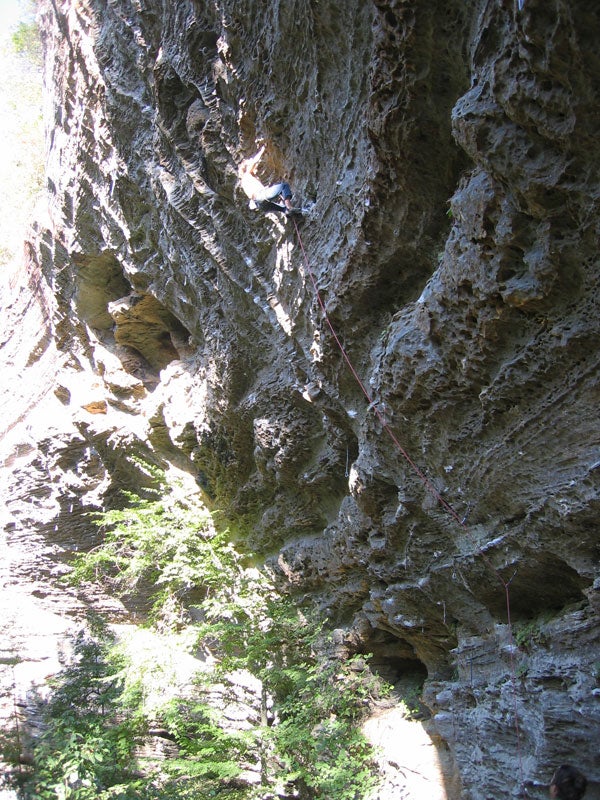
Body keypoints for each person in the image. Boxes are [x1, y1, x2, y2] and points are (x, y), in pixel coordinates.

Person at [239, 144, 297, 214]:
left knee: (283, 208)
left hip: (260, 205)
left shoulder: (245, 181)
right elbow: (253, 163)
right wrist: (261, 151)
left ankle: (288, 212)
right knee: (283, 186)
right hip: (260, 196)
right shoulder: (246, 174)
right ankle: (289, 207)